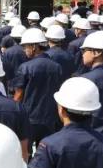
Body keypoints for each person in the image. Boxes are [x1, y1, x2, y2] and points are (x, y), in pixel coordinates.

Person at [12, 27, 66, 160]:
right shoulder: (56, 67)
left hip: (29, 118)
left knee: (25, 155)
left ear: (34, 47)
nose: (24, 50)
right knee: (47, 156)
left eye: (26, 47)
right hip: (50, 118)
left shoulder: (25, 67)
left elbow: (18, 95)